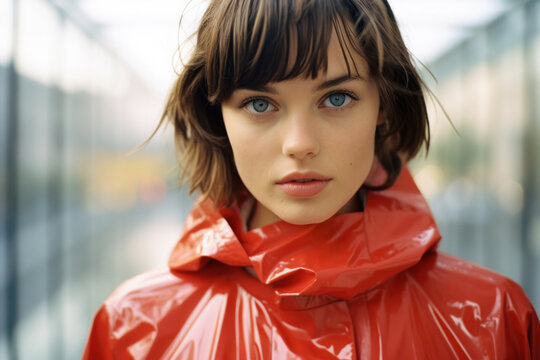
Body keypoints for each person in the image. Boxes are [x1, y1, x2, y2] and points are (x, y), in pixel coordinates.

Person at [83, 0, 540, 358]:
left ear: (382, 107)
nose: (299, 144)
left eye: (337, 98)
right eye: (260, 104)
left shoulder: (493, 319)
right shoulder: (135, 327)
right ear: (216, 116)